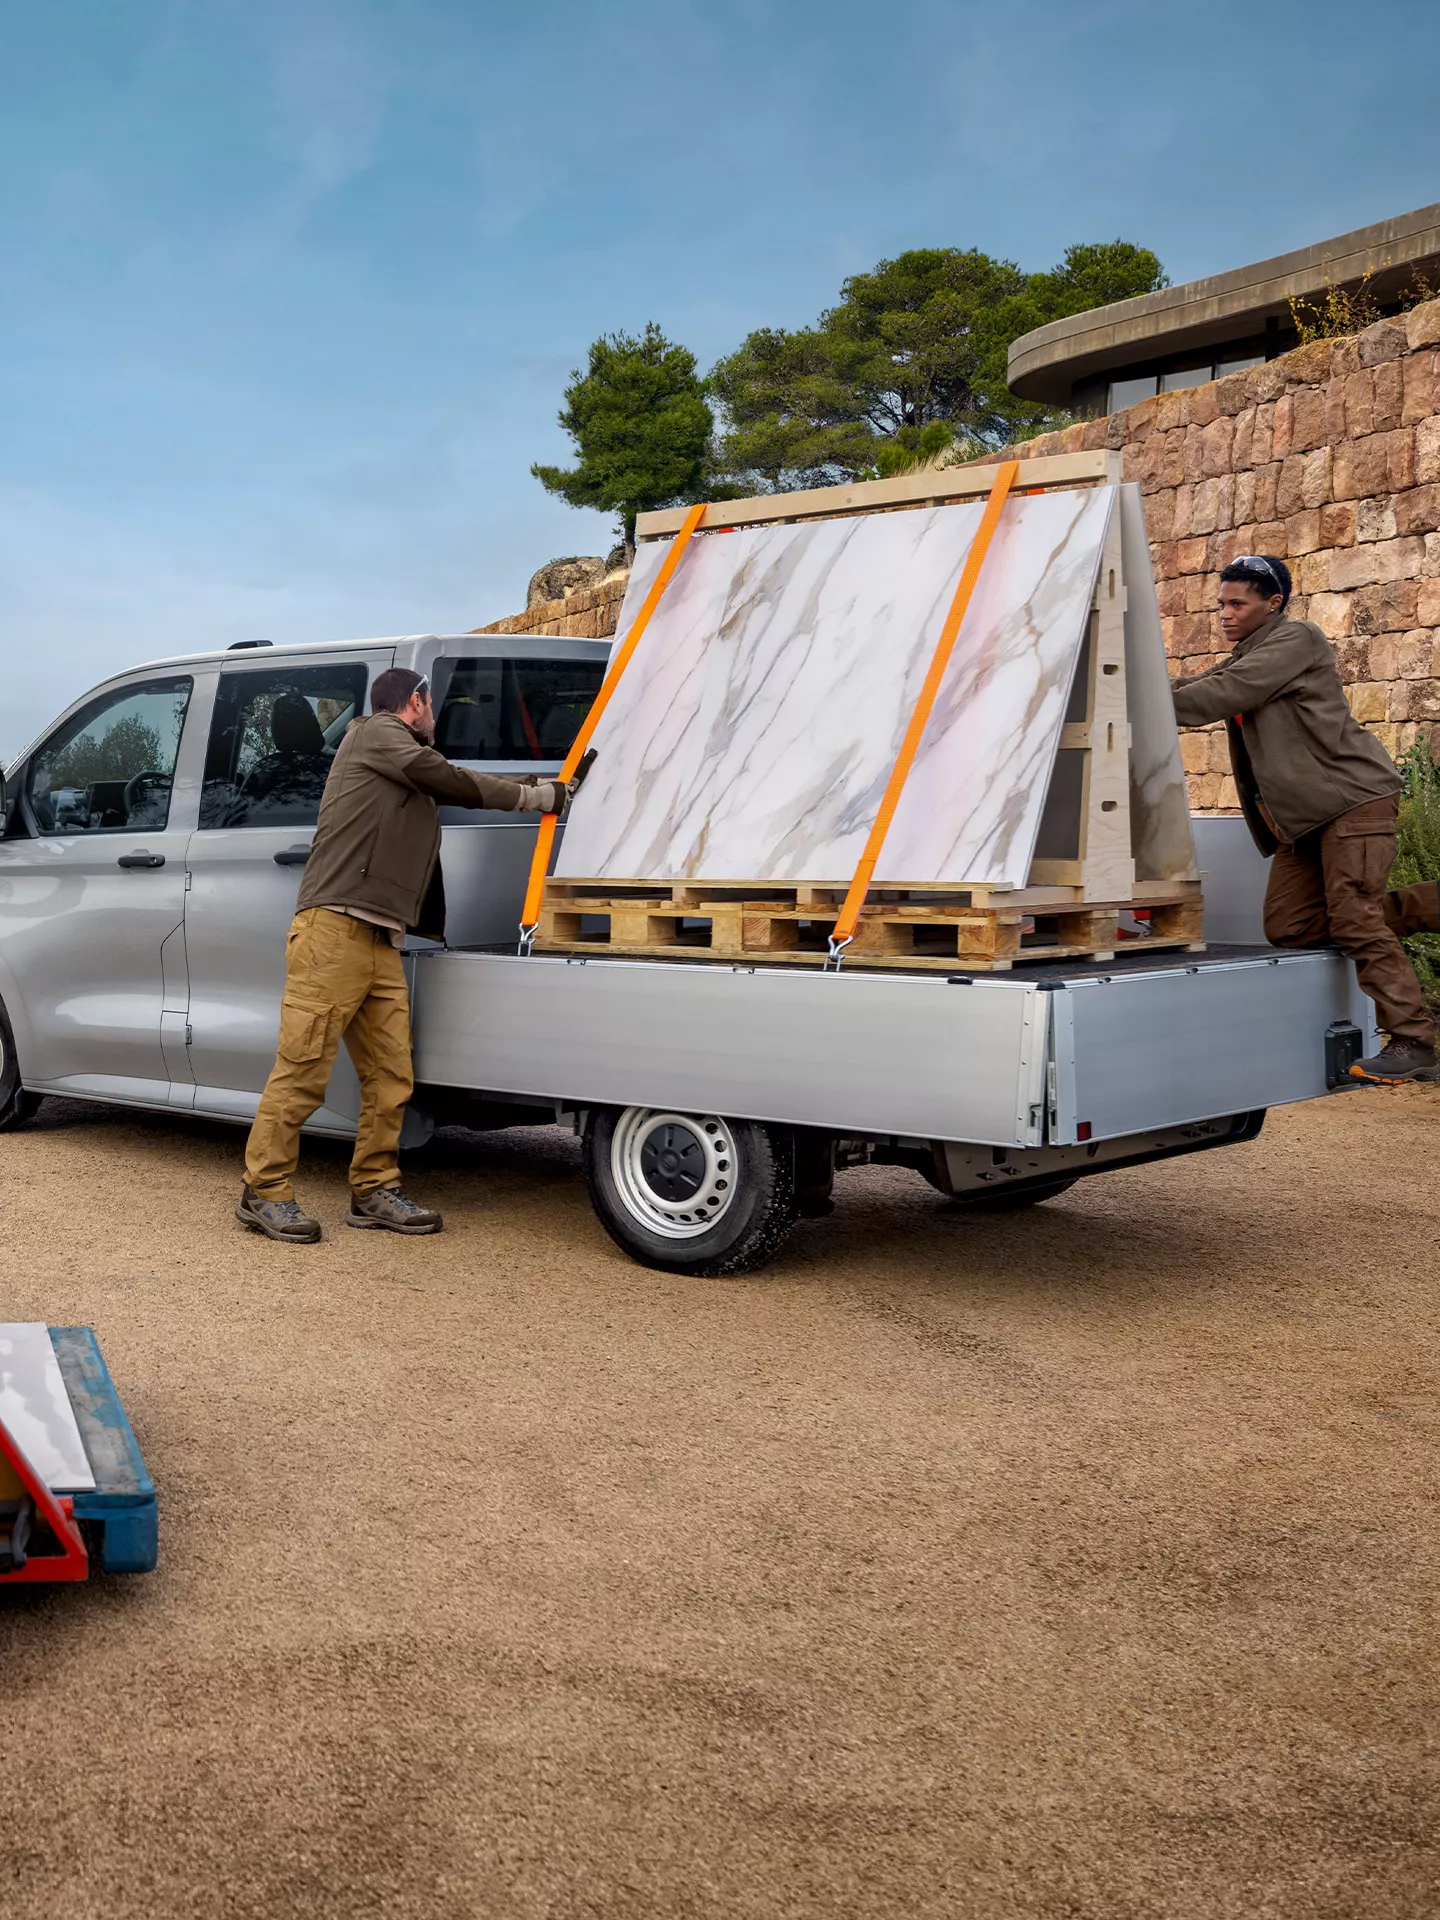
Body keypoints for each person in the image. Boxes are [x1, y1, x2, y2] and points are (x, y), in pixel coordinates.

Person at [236, 667, 567, 1243]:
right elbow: (444, 776)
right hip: (333, 932)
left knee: (391, 1074)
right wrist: (534, 797)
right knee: (304, 1070)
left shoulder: (399, 762)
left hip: (380, 939)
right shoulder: (374, 733)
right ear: (415, 702)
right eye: (431, 704)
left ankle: (374, 1189)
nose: (434, 716)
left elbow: (434, 781)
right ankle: (263, 1191)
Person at [1171, 554, 1440, 1085]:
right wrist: (1118, 681)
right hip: (1303, 819)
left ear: (1273, 604)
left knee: (1355, 919)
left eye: (1236, 603)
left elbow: (1214, 697)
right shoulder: (1252, 651)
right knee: (1291, 927)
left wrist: (1132, 692)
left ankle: (1416, 1041)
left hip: (1352, 800)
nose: (1224, 614)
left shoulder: (1297, 640)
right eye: (1220, 604)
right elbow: (1193, 685)